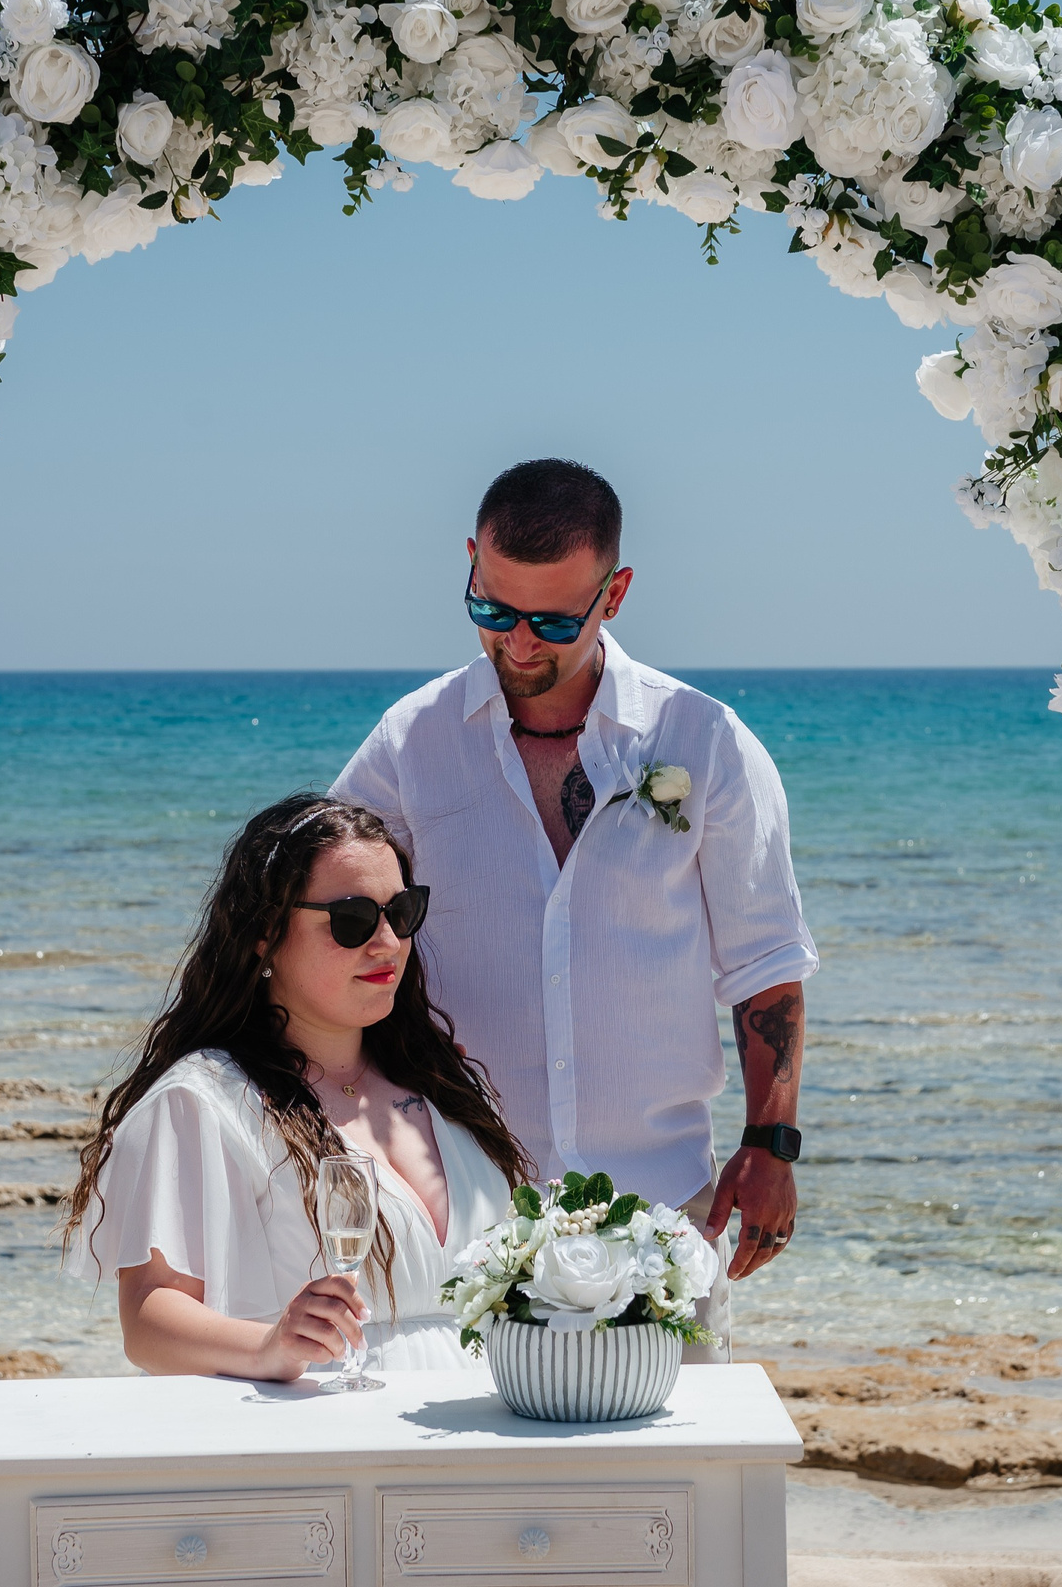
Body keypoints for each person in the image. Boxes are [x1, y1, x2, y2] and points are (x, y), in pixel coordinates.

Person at [333, 459, 816, 1360]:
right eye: (491, 610)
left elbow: (764, 962)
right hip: (464, 1217)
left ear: (616, 593)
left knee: (668, 1495)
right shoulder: (411, 742)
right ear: (472, 563)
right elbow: (326, 917)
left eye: (553, 620)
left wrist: (772, 1142)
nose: (518, 644)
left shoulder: (701, 742)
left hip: (664, 1220)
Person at [62, 793, 534, 1379]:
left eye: (403, 911)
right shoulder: (203, 1103)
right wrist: (270, 1346)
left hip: (491, 1436)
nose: (387, 941)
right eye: (353, 919)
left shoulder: (449, 1087)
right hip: (324, 1442)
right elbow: (148, 1322)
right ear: (264, 933)